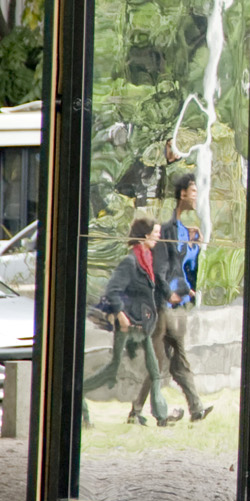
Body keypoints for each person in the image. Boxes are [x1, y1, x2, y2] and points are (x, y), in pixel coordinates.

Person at [96, 218, 180, 427]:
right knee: (113, 369)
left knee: (154, 370)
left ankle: (160, 417)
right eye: (155, 233)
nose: (158, 237)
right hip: (128, 325)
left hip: (141, 325)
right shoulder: (131, 261)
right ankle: (81, 394)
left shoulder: (145, 258)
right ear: (144, 235)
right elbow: (113, 290)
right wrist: (122, 315)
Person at [148, 174, 217, 425]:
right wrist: (170, 293)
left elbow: (182, 266)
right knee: (158, 364)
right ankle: (139, 412)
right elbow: (161, 268)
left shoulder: (183, 231)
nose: (196, 196)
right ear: (182, 194)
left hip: (176, 307)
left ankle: (196, 408)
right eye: (193, 191)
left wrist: (193, 246)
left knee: (177, 361)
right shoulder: (167, 229)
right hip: (164, 307)